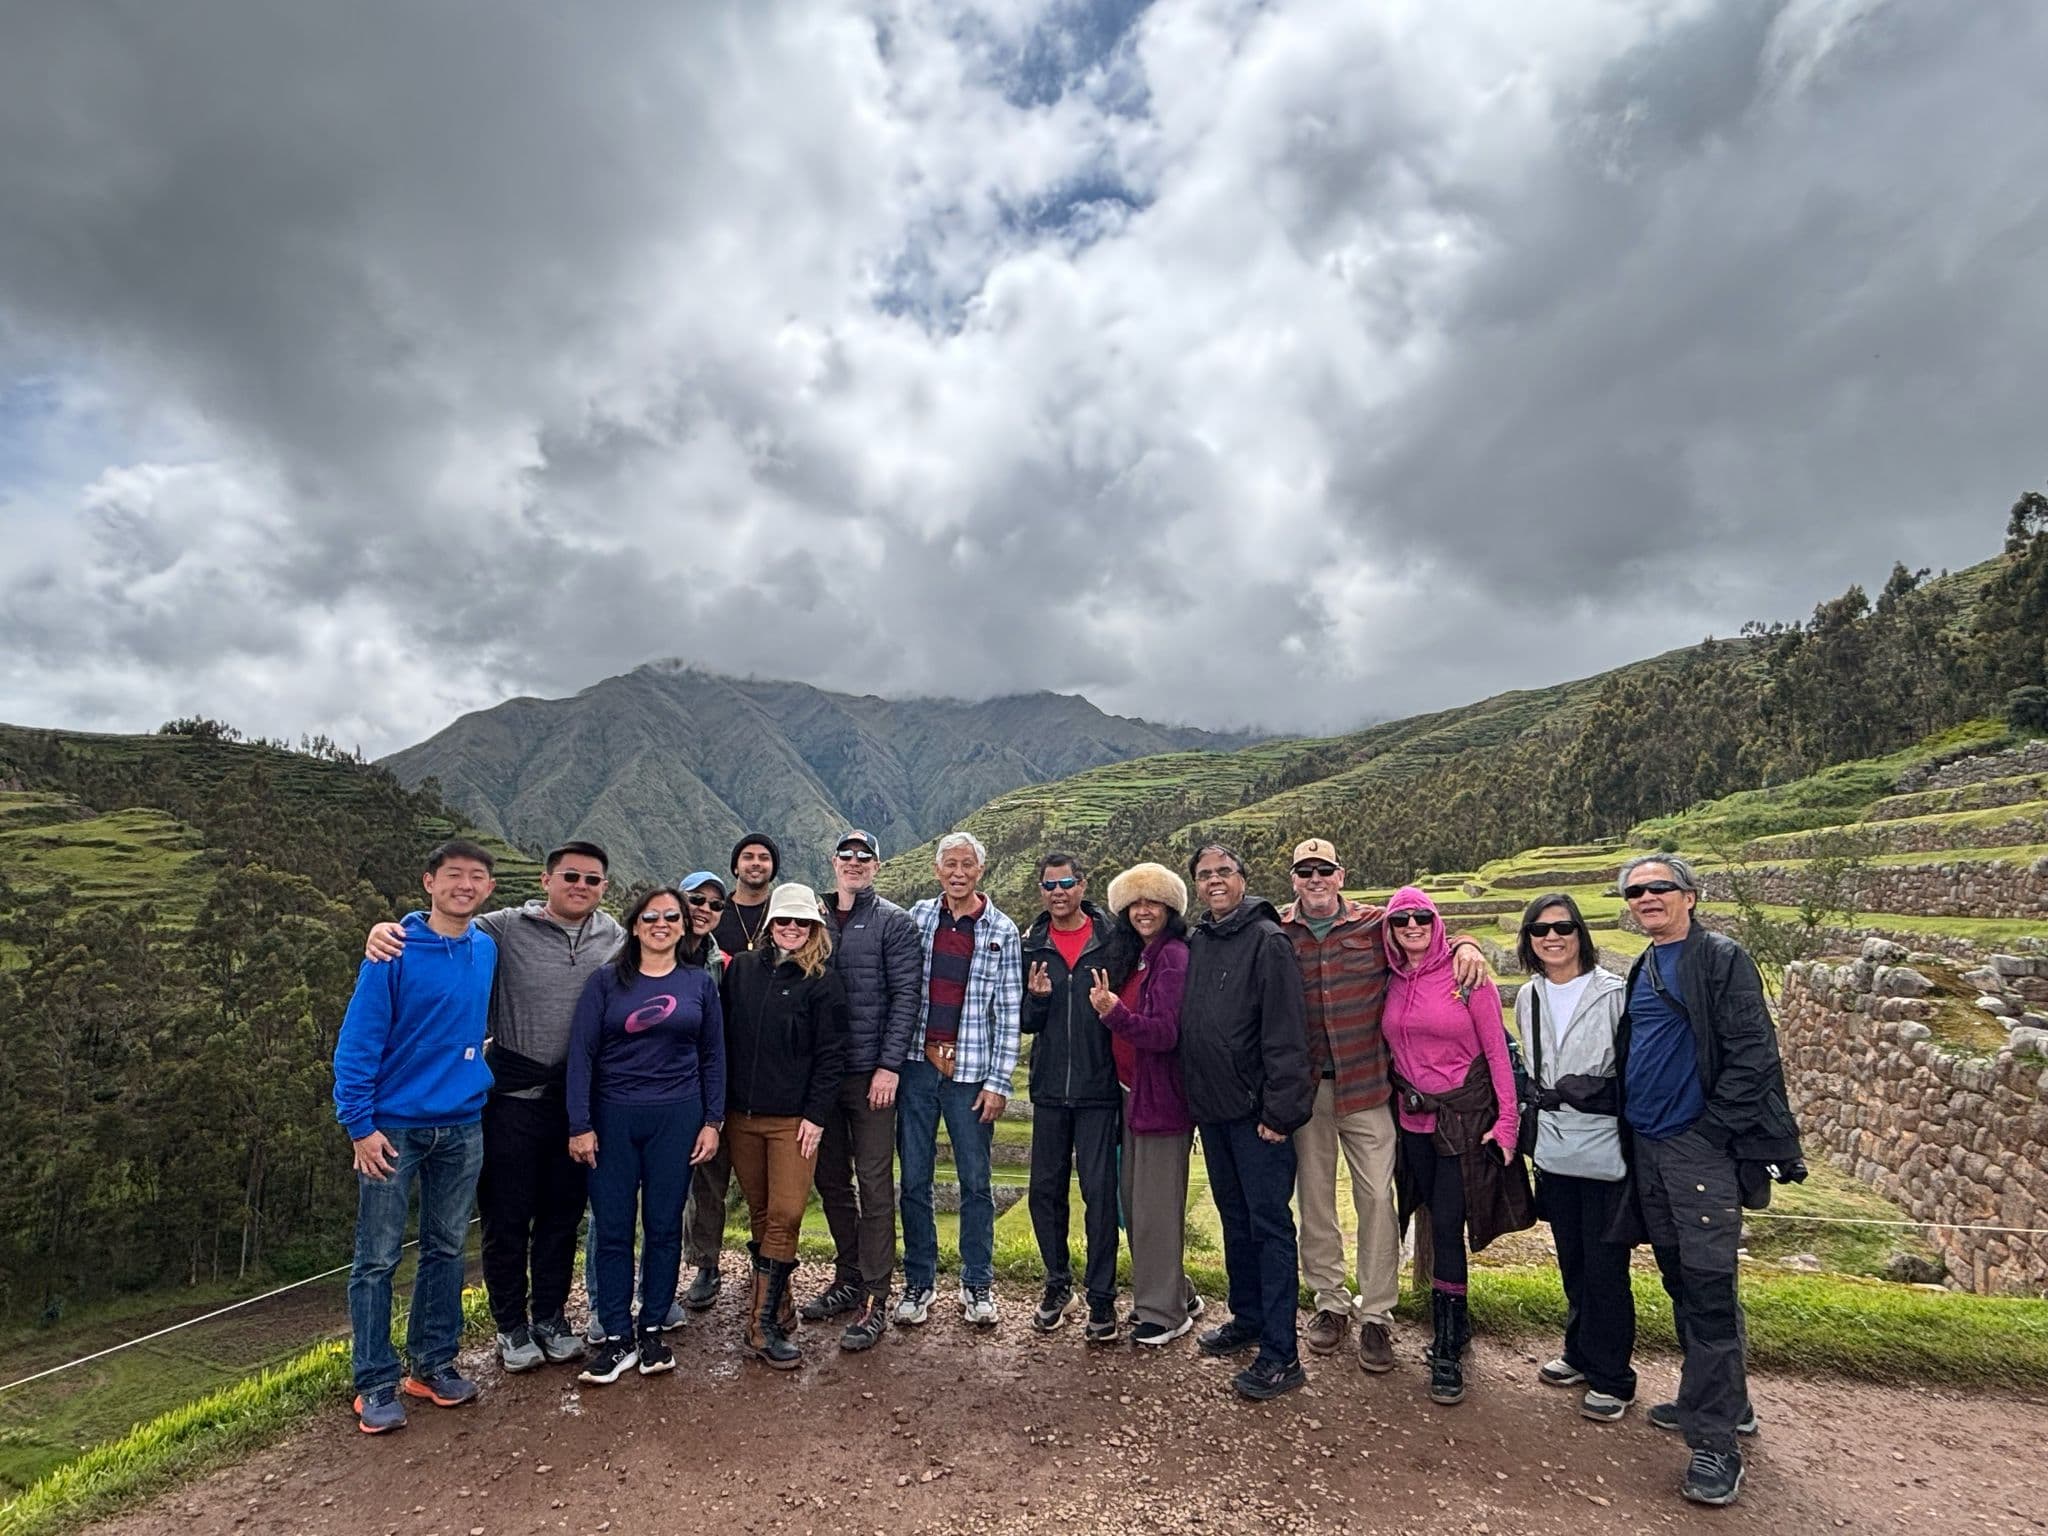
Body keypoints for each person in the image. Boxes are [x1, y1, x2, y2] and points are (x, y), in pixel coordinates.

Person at [365, 841, 622, 1374]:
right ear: (544, 880)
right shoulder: (503, 928)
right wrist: (389, 928)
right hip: (510, 1098)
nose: (580, 886)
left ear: (605, 889)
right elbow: (445, 924)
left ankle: (550, 1316)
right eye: (570, 876)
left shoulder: (613, 937)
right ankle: (509, 1324)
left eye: (593, 880)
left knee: (562, 1215)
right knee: (507, 1216)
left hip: (576, 1104)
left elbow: (669, 948)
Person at [1615, 855, 1803, 1509]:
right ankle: (1727, 1402)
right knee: (1679, 1278)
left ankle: (1715, 1444)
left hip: (1695, 1150)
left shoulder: (1719, 958)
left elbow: (1754, 1052)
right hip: (1651, 1149)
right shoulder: (1645, 964)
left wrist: (1711, 1131)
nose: (1647, 897)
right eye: (1636, 891)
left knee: (1709, 1289)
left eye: (1658, 887)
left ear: (1690, 896)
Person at [1279, 837, 1487, 1374]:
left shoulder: (1374, 925)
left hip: (1369, 1088)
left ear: (1341, 875)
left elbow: (1426, 936)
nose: (1316, 878)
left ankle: (1376, 1314)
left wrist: (1465, 942)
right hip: (1310, 1091)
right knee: (1317, 1201)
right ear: (1294, 879)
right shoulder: (1279, 930)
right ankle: (1329, 1303)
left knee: (1378, 1203)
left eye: (1324, 869)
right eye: (1306, 871)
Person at [334, 839, 499, 1434]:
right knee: (376, 1258)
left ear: (489, 889)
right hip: (393, 1127)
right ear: (429, 882)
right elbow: (357, 1042)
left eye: (477, 876)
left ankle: (431, 1365)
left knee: (447, 1249)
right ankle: (374, 1380)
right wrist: (359, 1125)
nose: (465, 885)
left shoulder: (485, 948)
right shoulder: (393, 950)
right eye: (453, 875)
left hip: (462, 1121)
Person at [567, 886, 726, 1385]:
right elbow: (581, 1056)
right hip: (613, 1117)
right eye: (652, 916)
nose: (662, 924)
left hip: (676, 1118)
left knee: (663, 1227)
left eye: (672, 917)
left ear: (684, 927)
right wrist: (580, 1124)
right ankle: (616, 1336)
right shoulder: (606, 983)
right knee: (613, 1227)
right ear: (635, 925)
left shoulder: (699, 984)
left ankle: (653, 1325)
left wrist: (713, 1121)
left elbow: (714, 1057)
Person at [1178, 843, 1313, 1401]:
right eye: (1204, 875)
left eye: (1223, 873)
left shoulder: (1268, 942)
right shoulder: (1201, 940)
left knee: (1270, 1228)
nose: (1214, 881)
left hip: (1260, 1117)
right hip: (1215, 1111)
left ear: (1242, 880)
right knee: (1236, 1220)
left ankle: (1282, 1353)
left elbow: (1287, 1035)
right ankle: (1249, 1317)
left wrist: (1279, 1115)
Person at [1383, 885, 1520, 1409]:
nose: (1412, 927)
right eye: (1402, 920)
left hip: (1459, 1123)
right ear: (1391, 930)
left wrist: (1507, 1122)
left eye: (1422, 918)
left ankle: (1447, 1343)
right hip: (1409, 1122)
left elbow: (1497, 1051)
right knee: (1416, 1212)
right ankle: (1451, 1329)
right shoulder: (1391, 976)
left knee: (1445, 1225)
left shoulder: (1469, 977)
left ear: (1436, 922)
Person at [1511, 892, 1635, 1423]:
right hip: (1556, 1142)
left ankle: (1614, 1375)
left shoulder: (1615, 994)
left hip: (1605, 1138)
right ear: (1529, 941)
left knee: (1607, 1260)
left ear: (1581, 932)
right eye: (1540, 931)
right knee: (1572, 1255)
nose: (1552, 938)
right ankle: (1581, 1351)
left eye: (1562, 927)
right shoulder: (1529, 997)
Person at [895, 831, 1023, 1329]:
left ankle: (977, 1284)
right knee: (916, 1180)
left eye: (967, 864)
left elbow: (1008, 1013)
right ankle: (919, 1282)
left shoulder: (1001, 930)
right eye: (950, 864)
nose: (958, 872)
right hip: (918, 1065)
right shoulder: (919, 918)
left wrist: (999, 1082)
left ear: (980, 871)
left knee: (976, 1183)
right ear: (936, 869)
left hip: (971, 1074)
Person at [721, 883, 850, 1368]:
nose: (791, 929)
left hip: (792, 1120)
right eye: (783, 921)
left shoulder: (822, 981)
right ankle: (779, 1304)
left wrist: (816, 1115)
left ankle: (761, 1326)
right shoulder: (742, 973)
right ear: (769, 924)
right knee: (760, 1211)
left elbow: (831, 1055)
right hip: (741, 1115)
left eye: (800, 923)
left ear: (814, 928)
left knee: (787, 1214)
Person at [803, 829, 920, 1351]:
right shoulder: (812, 918)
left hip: (871, 1075)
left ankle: (876, 1293)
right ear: (833, 862)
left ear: (877, 865)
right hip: (822, 1077)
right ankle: (848, 1276)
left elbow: (905, 998)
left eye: (863, 856)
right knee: (830, 1181)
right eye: (846, 855)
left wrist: (889, 1066)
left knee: (874, 1185)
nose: (854, 863)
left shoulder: (894, 923)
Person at [1088, 862, 1199, 1345]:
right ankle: (1178, 1292)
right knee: (1137, 1202)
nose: (1143, 910)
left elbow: (1164, 1033)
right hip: (1133, 1096)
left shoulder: (1172, 957)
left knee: (1153, 1206)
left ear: (1170, 907)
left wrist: (1114, 1014)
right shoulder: (1140, 956)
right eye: (1135, 903)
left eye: (1152, 902)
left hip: (1160, 1100)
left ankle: (1164, 1313)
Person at [1021, 852, 1128, 1341]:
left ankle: (1102, 1296)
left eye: (1066, 883)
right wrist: (1037, 1000)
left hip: (1098, 1090)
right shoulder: (1031, 946)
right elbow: (1025, 1022)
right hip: (1047, 1091)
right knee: (1045, 1191)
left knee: (1099, 1195)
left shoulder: (1112, 943)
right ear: (1041, 891)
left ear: (1083, 885)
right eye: (1049, 885)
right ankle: (1057, 1281)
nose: (1058, 892)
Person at [679, 864, 748, 1313]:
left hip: (709, 1084)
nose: (704, 909)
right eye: (696, 900)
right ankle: (656, 1269)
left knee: (709, 1179)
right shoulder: (645, 953)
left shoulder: (721, 964)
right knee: (662, 1185)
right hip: (658, 1086)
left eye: (714, 904)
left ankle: (706, 1264)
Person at [714, 832, 781, 955]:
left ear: (773, 869)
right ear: (736, 867)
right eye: (748, 857)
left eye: (764, 858)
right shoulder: (716, 912)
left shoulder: (782, 915)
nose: (756, 863)